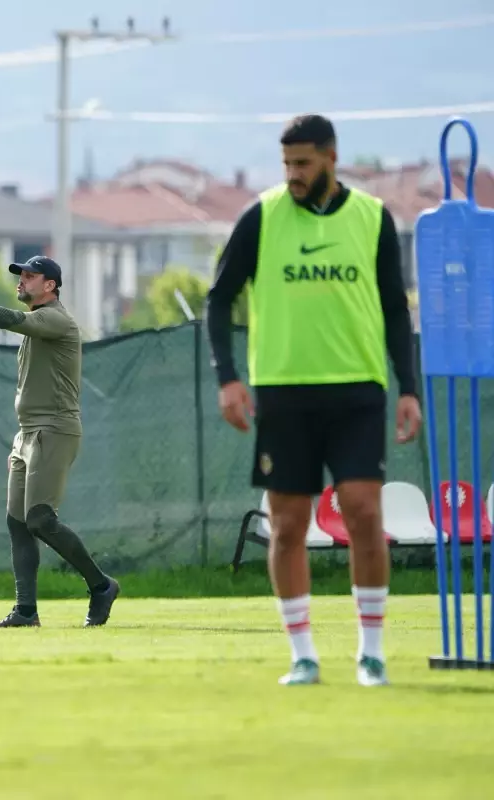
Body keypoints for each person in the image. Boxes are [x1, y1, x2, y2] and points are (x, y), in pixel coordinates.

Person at [205, 114, 421, 687]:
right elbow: (219, 298)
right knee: (289, 525)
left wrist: (411, 390)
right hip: (282, 392)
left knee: (364, 512)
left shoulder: (372, 219)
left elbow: (397, 311)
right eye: (287, 165)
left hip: (356, 389)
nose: (294, 175)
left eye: (303, 164)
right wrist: (228, 377)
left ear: (330, 157)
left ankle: (370, 652)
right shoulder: (262, 216)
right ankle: (303, 655)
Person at [0, 255, 120, 629]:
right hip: (27, 433)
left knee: (40, 520)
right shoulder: (39, 322)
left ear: (51, 286)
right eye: (21, 275)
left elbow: (12, 320)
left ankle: (101, 585)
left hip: (55, 429)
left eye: (31, 276)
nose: (22, 281)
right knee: (18, 523)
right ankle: (26, 611)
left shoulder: (55, 319)